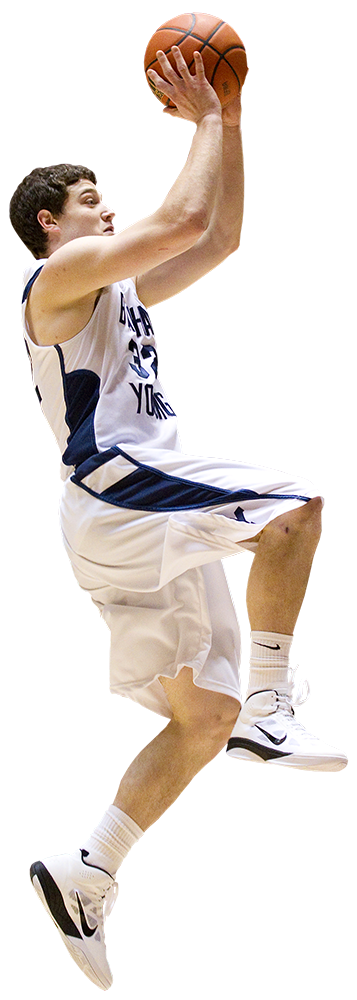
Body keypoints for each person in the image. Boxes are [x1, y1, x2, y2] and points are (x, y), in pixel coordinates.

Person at [10, 47, 347, 990]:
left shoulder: (111, 294)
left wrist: (230, 125)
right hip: (119, 485)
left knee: (201, 720)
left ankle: (91, 867)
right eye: (90, 200)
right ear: (51, 220)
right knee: (292, 506)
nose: (106, 210)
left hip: (132, 520)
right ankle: (279, 699)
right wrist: (204, 118)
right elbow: (184, 219)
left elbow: (215, 238)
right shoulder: (59, 278)